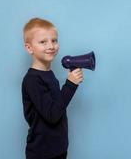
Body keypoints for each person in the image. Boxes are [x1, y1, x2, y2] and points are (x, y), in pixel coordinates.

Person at [21, 18, 83, 159]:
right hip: (42, 153)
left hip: (58, 149)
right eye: (43, 42)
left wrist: (70, 84)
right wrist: (71, 85)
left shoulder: (48, 74)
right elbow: (53, 115)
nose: (51, 46)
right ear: (29, 48)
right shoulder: (32, 80)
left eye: (54, 40)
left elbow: (57, 105)